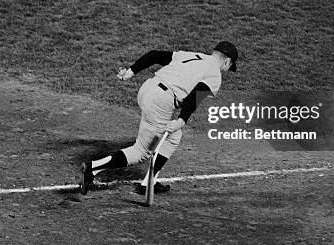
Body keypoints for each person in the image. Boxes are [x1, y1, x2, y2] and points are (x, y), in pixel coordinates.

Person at [79, 41, 238, 195]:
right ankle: (93, 168)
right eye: (230, 67)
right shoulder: (215, 75)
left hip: (147, 89)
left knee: (174, 137)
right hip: (160, 100)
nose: (227, 70)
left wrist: (131, 71)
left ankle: (149, 181)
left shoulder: (192, 55)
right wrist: (181, 121)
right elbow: (194, 98)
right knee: (142, 152)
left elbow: (154, 55)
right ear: (227, 61)